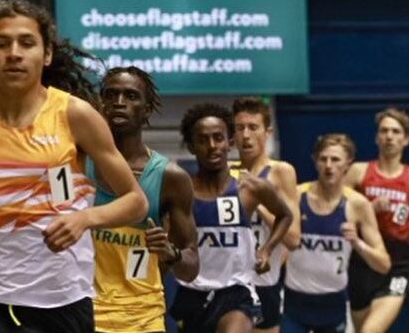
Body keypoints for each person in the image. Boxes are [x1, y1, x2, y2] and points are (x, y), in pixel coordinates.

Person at [0, 0, 148, 333]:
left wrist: (85, 219)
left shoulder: (76, 115)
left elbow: (136, 202)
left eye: (27, 43)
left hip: (61, 301)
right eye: (2, 43)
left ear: (46, 54)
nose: (14, 53)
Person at [89, 67, 199, 333]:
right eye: (111, 94)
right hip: (83, 315)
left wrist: (171, 253)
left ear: (147, 109)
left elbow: (191, 268)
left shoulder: (171, 178)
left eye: (130, 96)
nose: (119, 102)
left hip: (142, 319)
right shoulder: (77, 164)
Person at [171, 103, 292, 333]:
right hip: (193, 293)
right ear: (191, 146)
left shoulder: (251, 188)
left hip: (237, 291)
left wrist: (267, 249)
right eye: (203, 140)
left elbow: (285, 215)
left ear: (230, 142)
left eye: (218, 138)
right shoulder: (181, 193)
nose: (212, 146)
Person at [282, 134, 391, 333]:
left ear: (348, 164)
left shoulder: (358, 205)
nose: (329, 166)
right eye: (323, 159)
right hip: (295, 303)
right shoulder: (296, 195)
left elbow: (383, 264)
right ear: (315, 161)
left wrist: (358, 243)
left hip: (332, 306)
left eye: (335, 160)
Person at [344, 107, 409, 332]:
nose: (389, 136)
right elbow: (338, 209)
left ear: (406, 139)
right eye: (384, 131)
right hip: (363, 259)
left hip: (398, 264)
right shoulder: (358, 171)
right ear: (377, 137)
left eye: (395, 132)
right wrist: (368, 209)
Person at [231, 96, 301, 333]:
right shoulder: (225, 172)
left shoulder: (280, 172)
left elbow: (293, 239)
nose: (246, 135)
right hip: (230, 282)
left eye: (253, 127)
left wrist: (259, 204)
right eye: (240, 128)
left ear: (267, 132)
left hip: (264, 283)